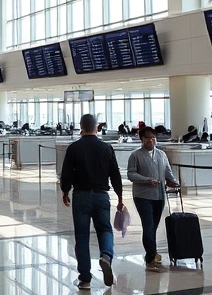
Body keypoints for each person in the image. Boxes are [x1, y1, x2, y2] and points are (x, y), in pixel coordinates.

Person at [60, 114, 124, 290]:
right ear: (97, 127)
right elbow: (115, 174)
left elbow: (66, 174)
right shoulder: (106, 148)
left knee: (81, 237)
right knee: (105, 229)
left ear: (81, 127)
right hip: (102, 195)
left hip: (80, 196)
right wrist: (119, 196)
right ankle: (106, 256)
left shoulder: (73, 148)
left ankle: (85, 278)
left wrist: (65, 191)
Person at [127, 126, 180, 267]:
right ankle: (152, 254)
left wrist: (173, 182)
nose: (151, 140)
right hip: (142, 196)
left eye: (153, 137)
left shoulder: (161, 155)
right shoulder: (135, 155)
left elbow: (168, 171)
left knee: (153, 226)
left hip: (159, 195)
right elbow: (131, 174)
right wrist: (147, 179)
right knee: (148, 224)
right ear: (142, 139)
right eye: (148, 138)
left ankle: (151, 253)